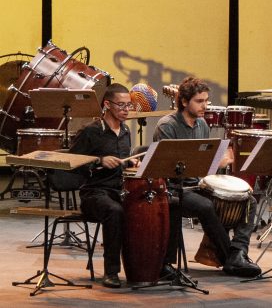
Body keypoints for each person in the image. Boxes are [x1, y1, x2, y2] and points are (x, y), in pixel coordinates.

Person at [152, 76, 261, 277]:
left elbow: (203, 166)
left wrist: (216, 163)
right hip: (175, 188)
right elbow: (165, 167)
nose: (205, 105)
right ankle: (231, 258)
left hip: (198, 185)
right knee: (205, 206)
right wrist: (208, 163)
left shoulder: (202, 124)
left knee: (249, 201)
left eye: (206, 100)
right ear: (184, 102)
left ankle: (238, 251)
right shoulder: (167, 126)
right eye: (199, 101)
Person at [71, 83, 138, 288]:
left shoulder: (125, 131)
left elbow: (122, 160)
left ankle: (147, 267)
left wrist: (130, 161)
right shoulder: (91, 131)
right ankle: (111, 272)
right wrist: (99, 161)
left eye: (129, 105)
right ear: (107, 104)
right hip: (94, 194)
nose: (126, 110)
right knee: (114, 211)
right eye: (121, 105)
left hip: (118, 190)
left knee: (149, 206)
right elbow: (72, 163)